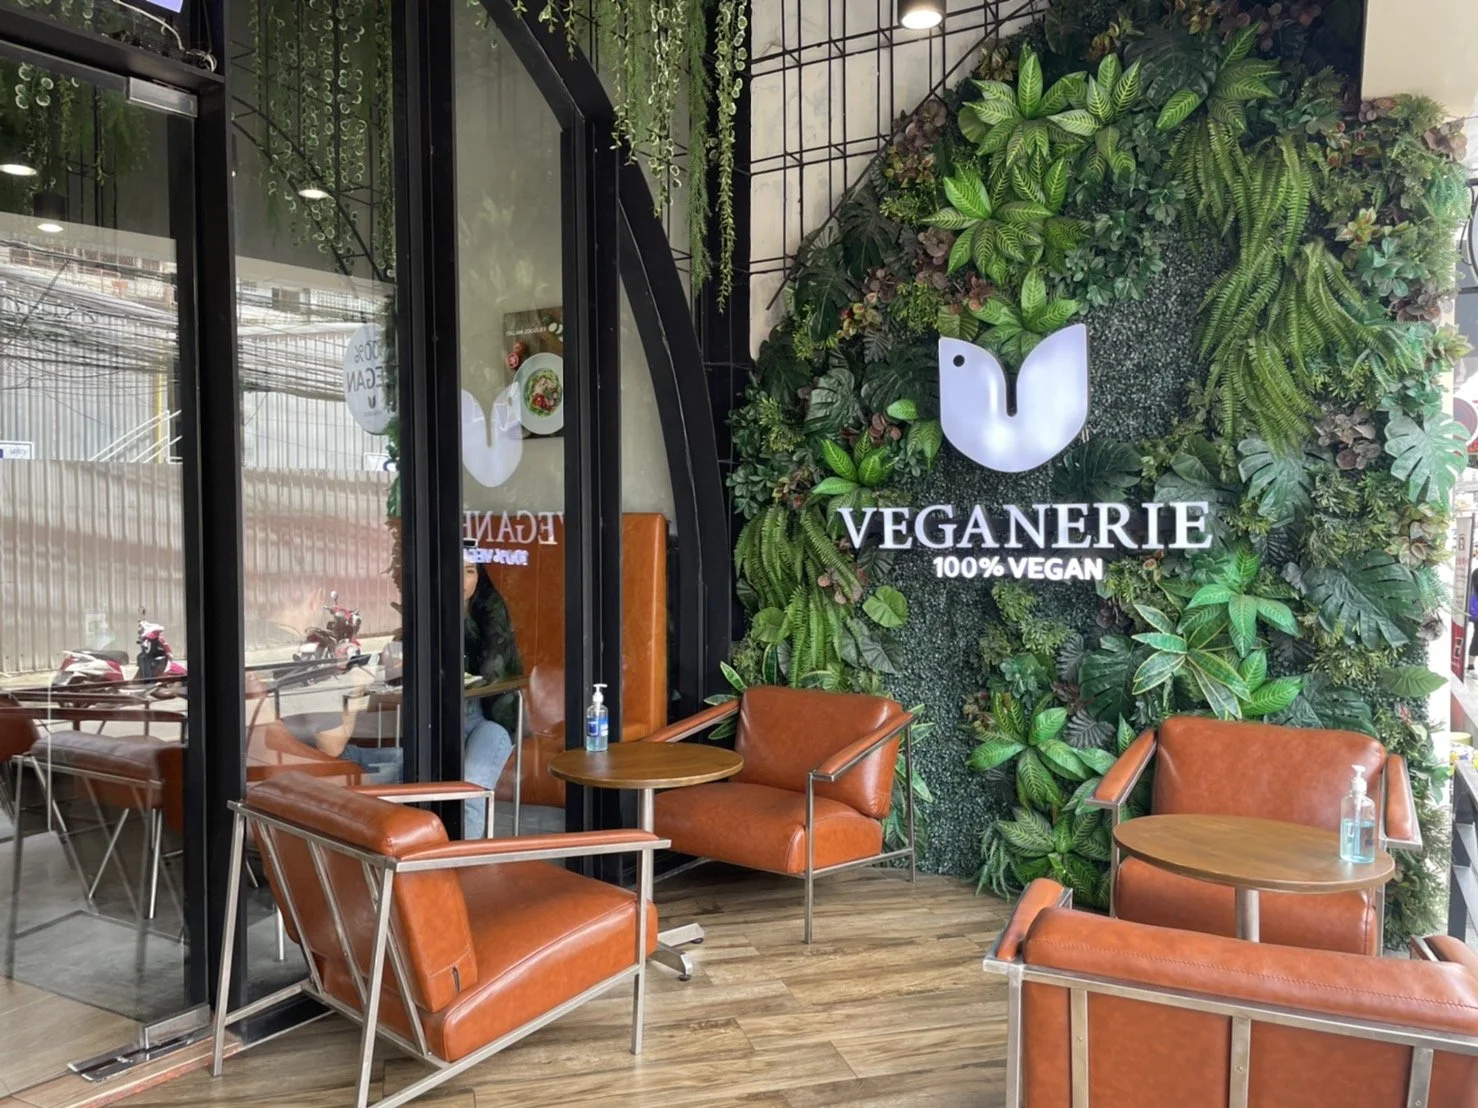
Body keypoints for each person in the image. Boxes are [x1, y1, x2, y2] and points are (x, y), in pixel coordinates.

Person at [314, 554, 520, 838]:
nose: (462, 581)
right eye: (456, 571)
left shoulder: (490, 618)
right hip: (439, 723)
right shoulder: (426, 615)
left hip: (489, 719)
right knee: (402, 767)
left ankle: (460, 858)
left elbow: (496, 671)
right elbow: (398, 663)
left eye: (470, 571)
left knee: (469, 790)